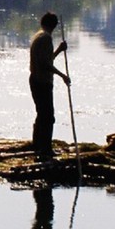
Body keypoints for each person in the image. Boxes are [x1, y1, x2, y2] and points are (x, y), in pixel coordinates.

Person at [29, 12, 70, 156]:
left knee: (42, 114)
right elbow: (46, 65)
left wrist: (59, 50)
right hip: (42, 81)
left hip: (35, 79)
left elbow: (47, 59)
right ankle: (45, 149)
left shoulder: (39, 36)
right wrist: (62, 76)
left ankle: (37, 144)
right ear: (54, 25)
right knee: (48, 116)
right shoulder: (45, 39)